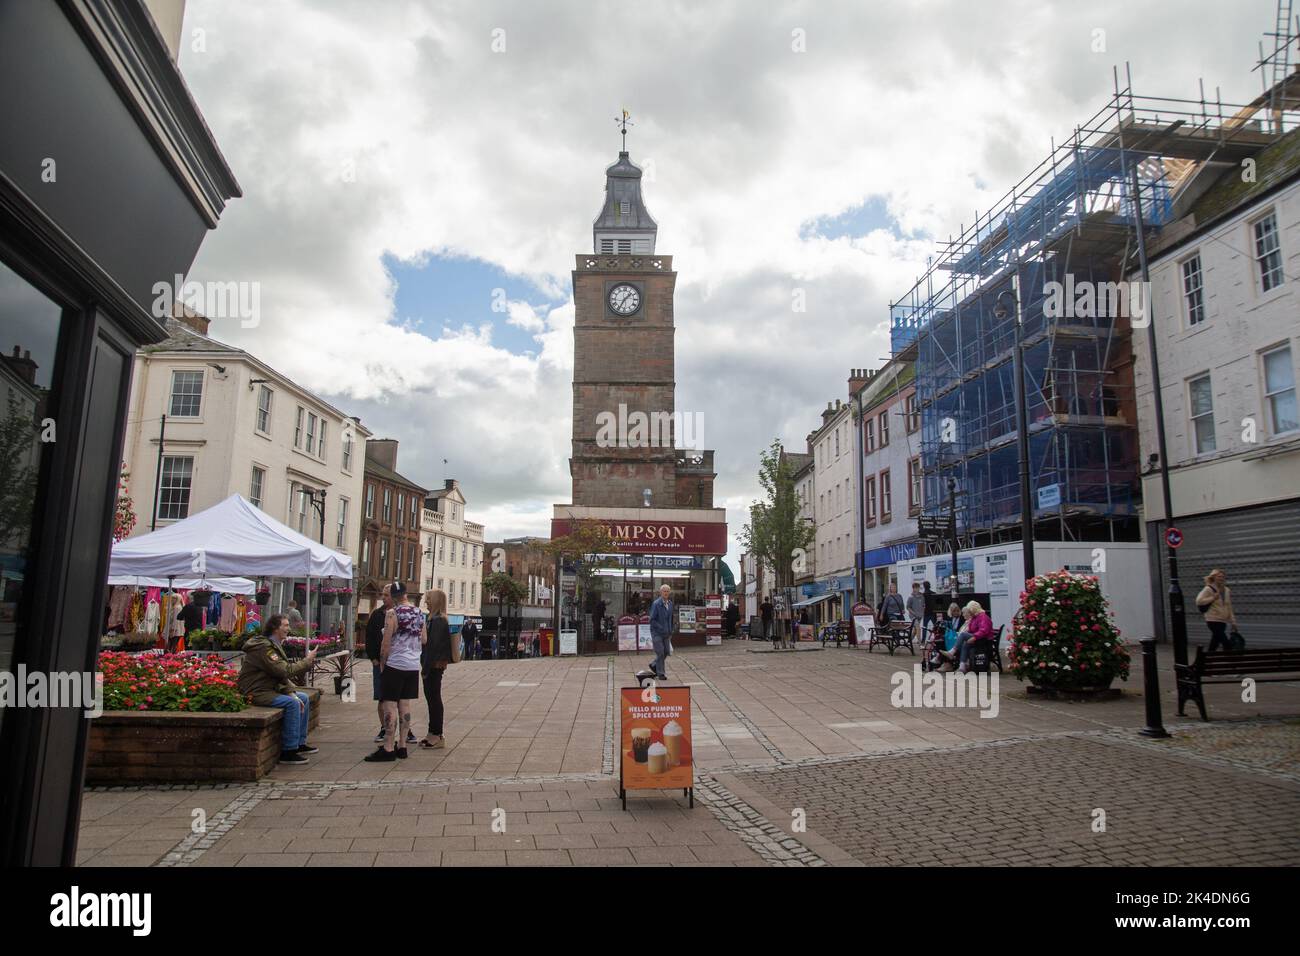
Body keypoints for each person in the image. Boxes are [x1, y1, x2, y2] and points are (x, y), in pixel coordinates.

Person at [237, 614, 318, 764]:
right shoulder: (265, 648)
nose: (289, 629)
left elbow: (280, 676)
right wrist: (307, 661)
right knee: (292, 704)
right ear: (275, 628)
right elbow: (283, 671)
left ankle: (300, 743)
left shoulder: (273, 645)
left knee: (303, 698)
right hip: (256, 691)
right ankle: (289, 750)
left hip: (269, 688)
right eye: (285, 626)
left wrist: (291, 692)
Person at [364, 581, 426, 762]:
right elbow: (423, 639)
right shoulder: (419, 612)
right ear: (406, 594)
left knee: (389, 705)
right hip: (412, 665)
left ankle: (389, 747)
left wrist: (383, 663)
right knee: (405, 705)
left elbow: (386, 642)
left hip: (395, 664)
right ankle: (403, 746)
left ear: (394, 596)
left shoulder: (393, 613)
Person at [366, 586, 407, 743]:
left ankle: (404, 730)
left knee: (400, 699)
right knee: (382, 697)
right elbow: (370, 637)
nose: (383, 598)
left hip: (396, 662)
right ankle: (384, 728)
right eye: (382, 594)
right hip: (379, 663)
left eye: (386, 595)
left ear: (394, 596)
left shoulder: (402, 614)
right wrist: (374, 659)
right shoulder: (376, 615)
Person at [420, 588, 453, 749]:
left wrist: (425, 669)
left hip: (434, 665)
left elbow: (433, 647)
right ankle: (432, 732)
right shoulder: (432, 619)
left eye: (428, 598)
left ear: (436, 601)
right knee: (431, 699)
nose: (426, 601)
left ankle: (437, 735)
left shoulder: (439, 620)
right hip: (431, 664)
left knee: (434, 699)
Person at [1196, 569, 1239, 653]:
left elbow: (1229, 606)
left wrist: (1233, 622)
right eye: (1219, 576)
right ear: (1214, 577)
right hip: (1212, 620)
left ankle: (1207, 660)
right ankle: (1231, 663)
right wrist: (1212, 598)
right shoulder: (1208, 589)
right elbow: (1199, 601)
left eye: (1223, 576)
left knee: (1214, 643)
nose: (1221, 578)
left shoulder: (1226, 590)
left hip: (1223, 621)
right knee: (1226, 643)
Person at [649, 584, 675, 681]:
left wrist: (671, 629)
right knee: (660, 653)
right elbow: (652, 620)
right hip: (657, 633)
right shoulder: (656, 604)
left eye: (668, 591)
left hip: (667, 633)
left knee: (666, 652)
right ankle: (661, 673)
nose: (666, 593)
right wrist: (661, 628)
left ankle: (654, 665)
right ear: (660, 593)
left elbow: (671, 618)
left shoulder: (670, 604)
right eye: (664, 591)